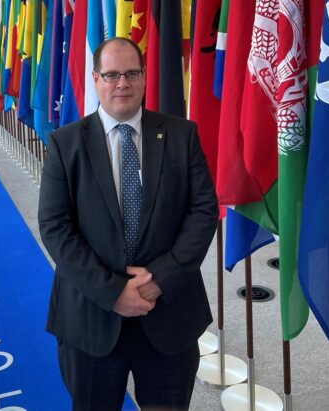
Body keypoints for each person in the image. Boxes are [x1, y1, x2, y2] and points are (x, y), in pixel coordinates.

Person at [38, 37, 218, 411]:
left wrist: (159, 280)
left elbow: (202, 211)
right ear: (96, 79)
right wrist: (113, 292)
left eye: (131, 73)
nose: (122, 83)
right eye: (112, 74)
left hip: (169, 315)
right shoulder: (64, 144)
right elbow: (55, 227)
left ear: (144, 76)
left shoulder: (181, 135)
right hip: (91, 319)